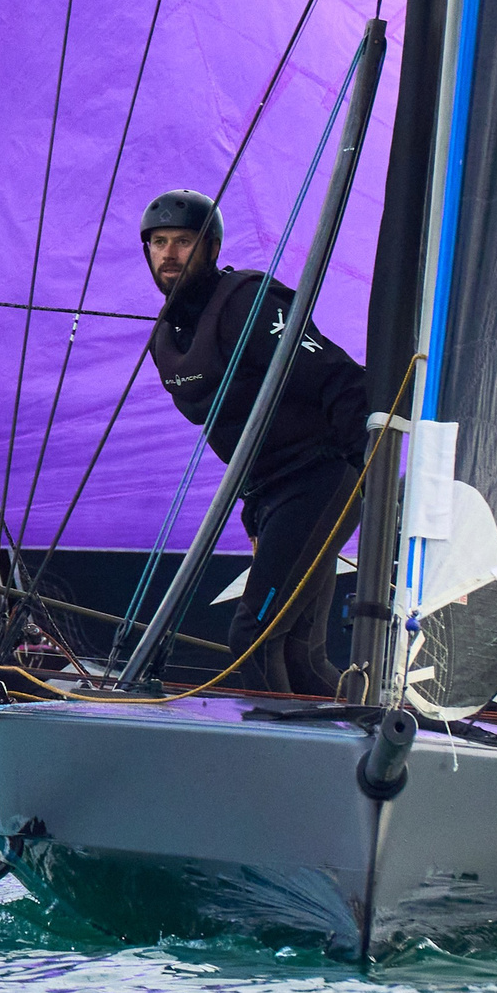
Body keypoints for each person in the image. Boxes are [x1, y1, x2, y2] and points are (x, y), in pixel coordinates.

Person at [140, 189, 367, 697]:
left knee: (252, 635)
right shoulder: (169, 337)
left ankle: (280, 758)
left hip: (319, 481)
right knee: (298, 652)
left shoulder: (246, 302)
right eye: (158, 243)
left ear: (212, 248)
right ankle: (347, 747)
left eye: (183, 241)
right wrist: (253, 507)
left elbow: (342, 379)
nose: (170, 254)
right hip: (269, 496)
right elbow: (235, 431)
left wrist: (362, 478)